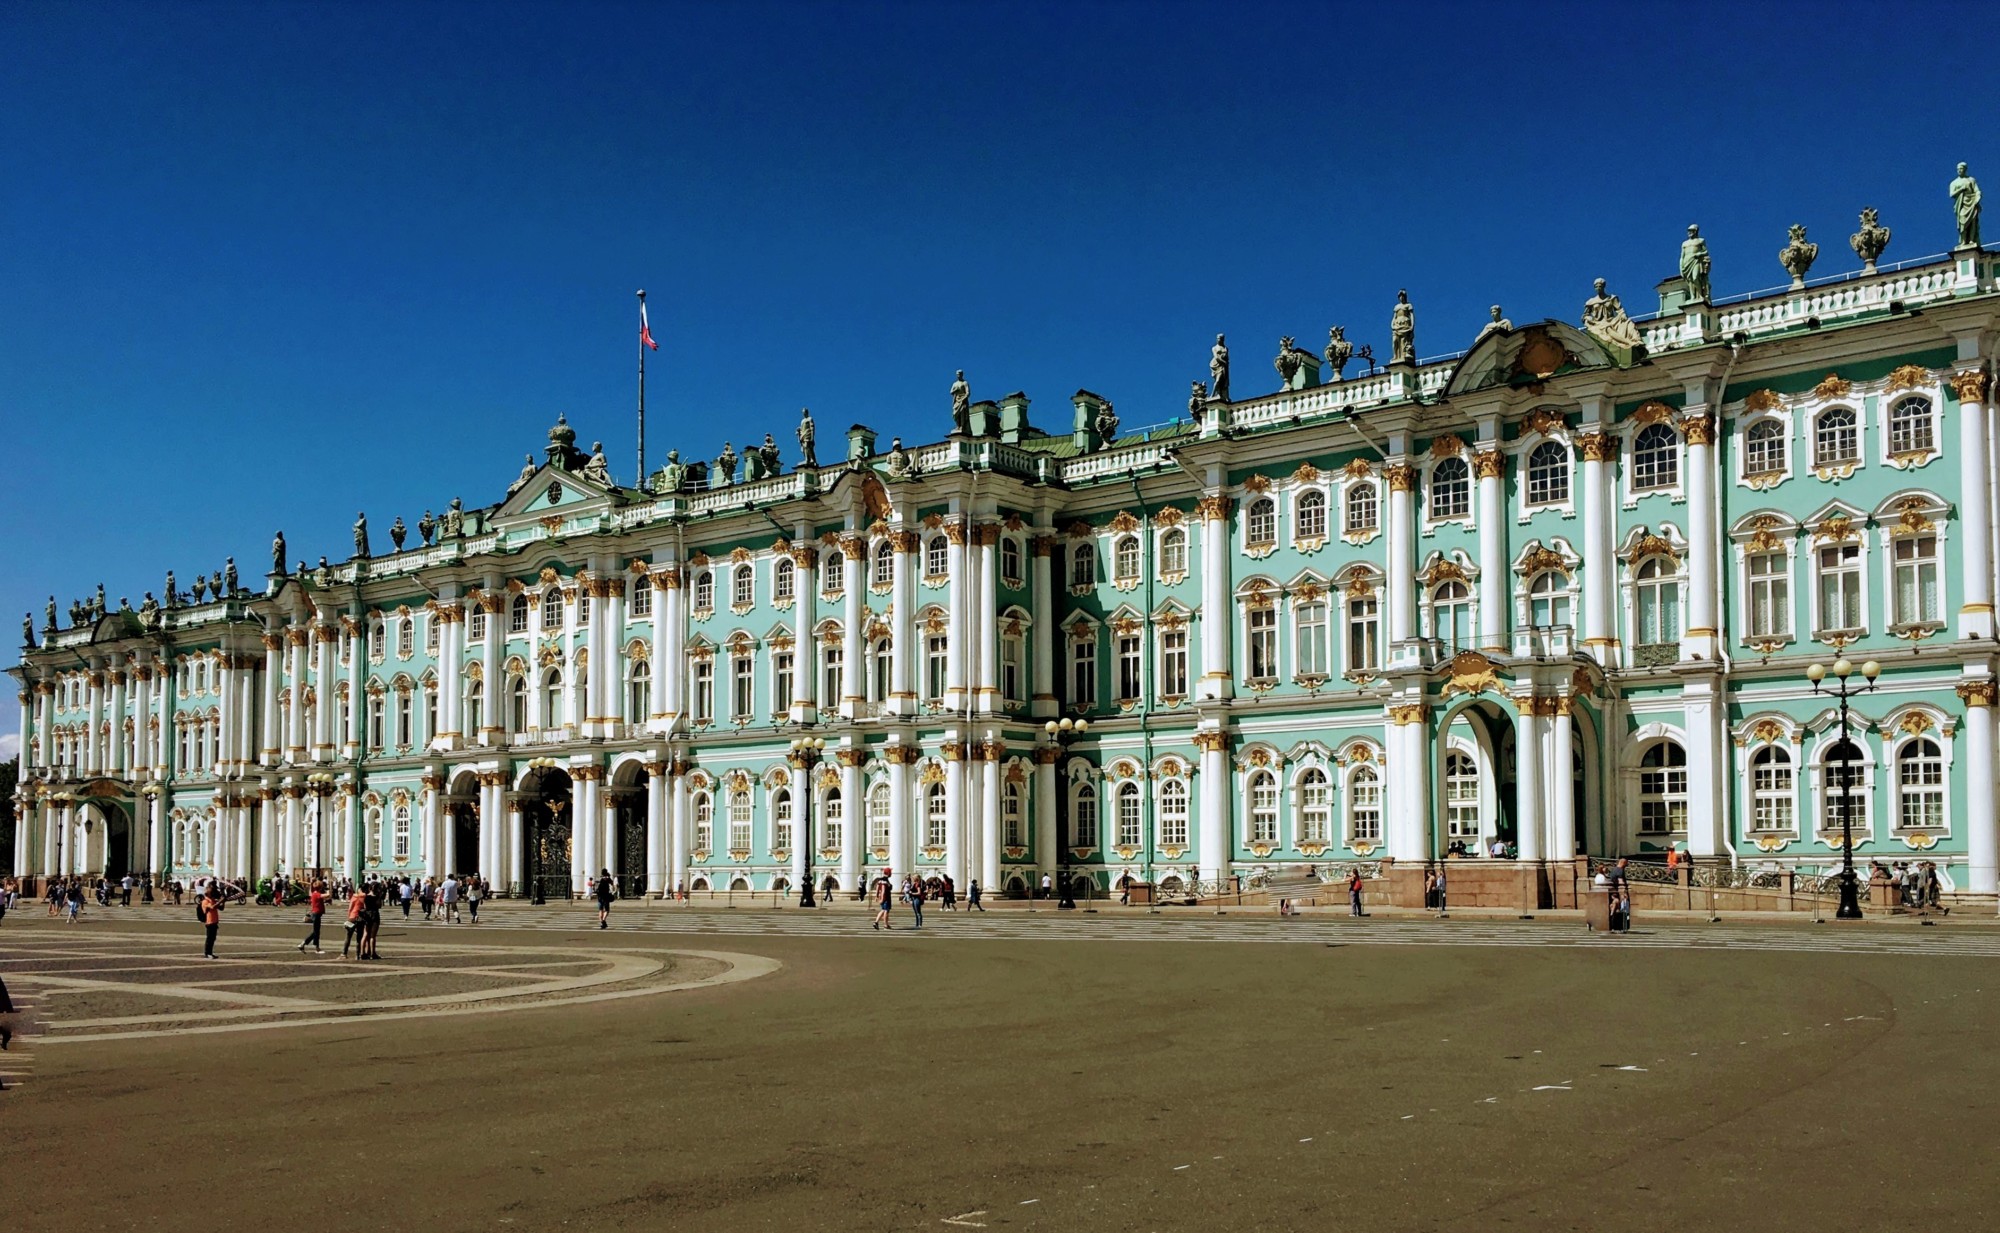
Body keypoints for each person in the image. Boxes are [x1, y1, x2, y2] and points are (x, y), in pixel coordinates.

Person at [298, 880, 327, 954]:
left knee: (316, 932)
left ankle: (316, 947)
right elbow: (327, 895)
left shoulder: (314, 893)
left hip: (316, 914)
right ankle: (303, 944)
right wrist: (329, 889)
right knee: (315, 932)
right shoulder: (316, 894)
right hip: (316, 914)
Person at [200, 882, 224, 958]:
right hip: (209, 922)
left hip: (214, 922)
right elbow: (213, 907)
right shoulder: (205, 901)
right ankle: (207, 953)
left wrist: (223, 901)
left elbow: (221, 908)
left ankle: (210, 952)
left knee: (213, 938)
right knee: (209, 938)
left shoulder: (212, 900)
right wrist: (220, 901)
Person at [341, 887, 367, 958]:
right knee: (359, 937)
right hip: (360, 918)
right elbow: (365, 907)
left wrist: (348, 917)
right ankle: (357, 955)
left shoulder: (354, 897)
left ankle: (344, 953)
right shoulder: (364, 897)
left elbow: (350, 908)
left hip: (352, 917)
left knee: (348, 936)